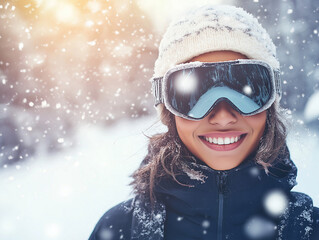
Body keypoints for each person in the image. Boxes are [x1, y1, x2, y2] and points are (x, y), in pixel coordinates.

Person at [88, 5, 319, 240]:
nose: (223, 116)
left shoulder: (310, 229)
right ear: (169, 110)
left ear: (270, 103)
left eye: (247, 89)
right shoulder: (120, 230)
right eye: (194, 94)